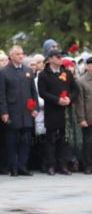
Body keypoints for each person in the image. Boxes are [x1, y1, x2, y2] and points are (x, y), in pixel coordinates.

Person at [38, 49, 79, 175]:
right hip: (52, 110)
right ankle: (50, 165)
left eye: (60, 56)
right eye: (57, 56)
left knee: (64, 140)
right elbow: (42, 92)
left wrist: (69, 99)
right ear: (50, 59)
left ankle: (63, 165)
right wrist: (57, 100)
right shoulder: (43, 74)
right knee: (50, 140)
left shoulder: (66, 72)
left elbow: (75, 89)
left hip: (65, 112)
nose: (60, 58)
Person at [0, 45, 39, 176]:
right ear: (11, 57)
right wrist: (4, 112)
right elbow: (2, 94)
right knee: (11, 141)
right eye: (17, 54)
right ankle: (13, 167)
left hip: (27, 112)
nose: (21, 56)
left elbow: (33, 92)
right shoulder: (4, 72)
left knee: (26, 141)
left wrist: (35, 108)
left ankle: (22, 166)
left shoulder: (28, 70)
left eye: (22, 53)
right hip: (12, 112)